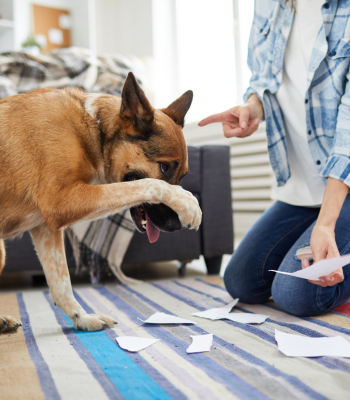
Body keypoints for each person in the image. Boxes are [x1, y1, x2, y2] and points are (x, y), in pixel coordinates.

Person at [199, 0, 350, 316]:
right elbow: (264, 80)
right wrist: (251, 108)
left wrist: (326, 223)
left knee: (295, 294)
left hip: (343, 186)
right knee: (242, 283)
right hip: (304, 189)